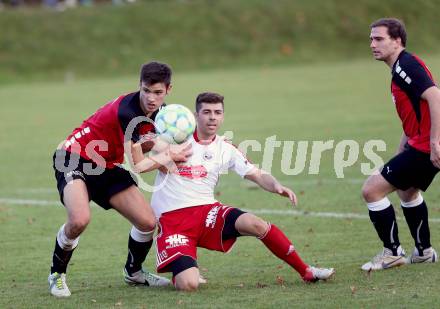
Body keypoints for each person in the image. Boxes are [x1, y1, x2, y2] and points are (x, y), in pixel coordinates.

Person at [131, 92, 335, 291]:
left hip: (207, 212)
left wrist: (276, 186)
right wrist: (154, 148)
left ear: (222, 116)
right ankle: (183, 269)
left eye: (217, 112)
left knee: (255, 223)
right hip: (173, 220)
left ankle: (306, 271)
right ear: (195, 115)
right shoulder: (172, 141)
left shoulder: (225, 147)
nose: (212, 117)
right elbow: (138, 159)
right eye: (207, 112)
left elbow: (256, 173)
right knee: (189, 284)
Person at [49, 61, 192, 297]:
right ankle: (57, 274)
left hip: (105, 164)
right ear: (139, 86)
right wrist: (168, 155)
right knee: (79, 220)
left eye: (157, 92)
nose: (151, 98)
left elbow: (152, 142)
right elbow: (137, 164)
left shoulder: (163, 114)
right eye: (146, 90)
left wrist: (175, 154)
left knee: (147, 223)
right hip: (74, 156)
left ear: (168, 89)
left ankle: (133, 273)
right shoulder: (128, 111)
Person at [361, 18, 440, 271]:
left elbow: (436, 97)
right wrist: (400, 153)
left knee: (371, 190)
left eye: (379, 39)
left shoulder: (406, 66)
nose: (373, 44)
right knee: (408, 192)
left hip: (426, 147)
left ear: (397, 41)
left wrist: (435, 140)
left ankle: (393, 252)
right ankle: (424, 251)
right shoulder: (399, 68)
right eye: (371, 39)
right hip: (418, 144)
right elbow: (415, 115)